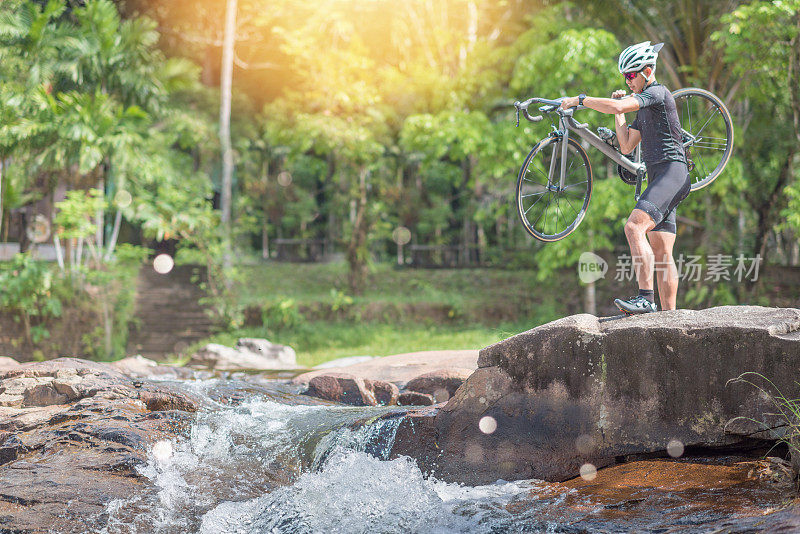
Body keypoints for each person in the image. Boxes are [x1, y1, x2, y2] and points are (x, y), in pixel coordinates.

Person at [559, 41, 689, 314]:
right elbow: (627, 144)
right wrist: (619, 109)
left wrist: (580, 100)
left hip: (671, 172)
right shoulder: (644, 108)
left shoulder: (657, 93)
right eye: (625, 77)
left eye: (631, 75)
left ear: (647, 71)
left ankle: (645, 298)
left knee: (633, 227)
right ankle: (670, 318)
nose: (628, 81)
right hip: (661, 177)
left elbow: (617, 108)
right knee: (663, 251)